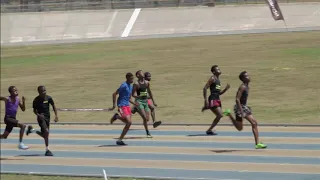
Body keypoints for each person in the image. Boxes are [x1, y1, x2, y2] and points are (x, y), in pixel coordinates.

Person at [224, 71, 267, 149]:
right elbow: (237, 99)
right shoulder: (243, 87)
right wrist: (241, 111)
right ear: (243, 79)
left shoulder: (247, 86)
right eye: (246, 76)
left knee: (240, 128)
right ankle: (257, 144)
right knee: (254, 123)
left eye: (248, 75)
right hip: (240, 107)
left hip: (243, 107)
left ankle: (229, 114)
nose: (248, 77)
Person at [26, 86, 58, 156]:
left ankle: (32, 130)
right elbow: (34, 110)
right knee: (46, 132)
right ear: (39, 92)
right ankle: (47, 150)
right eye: (42, 91)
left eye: (45, 90)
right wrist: (38, 115)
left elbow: (53, 106)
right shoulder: (36, 100)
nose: (44, 92)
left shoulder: (49, 98)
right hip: (41, 118)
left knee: (45, 135)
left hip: (47, 118)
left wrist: (56, 115)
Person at [202, 65, 231, 135]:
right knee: (220, 115)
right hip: (213, 98)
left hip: (217, 98)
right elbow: (205, 88)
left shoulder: (218, 80)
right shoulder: (213, 78)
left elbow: (219, 93)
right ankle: (209, 130)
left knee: (220, 115)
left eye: (219, 69)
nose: (219, 70)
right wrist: (205, 100)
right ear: (214, 72)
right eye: (217, 69)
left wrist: (225, 89)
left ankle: (208, 106)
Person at [109, 72, 136, 146]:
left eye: (133, 78)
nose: (132, 80)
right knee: (129, 122)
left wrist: (134, 103)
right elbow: (114, 94)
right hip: (121, 105)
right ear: (127, 78)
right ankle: (119, 139)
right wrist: (114, 105)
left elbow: (128, 98)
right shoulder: (123, 85)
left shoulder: (130, 86)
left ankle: (120, 140)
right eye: (131, 78)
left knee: (128, 123)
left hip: (127, 105)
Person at [131, 70, 154, 138]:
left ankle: (135, 109)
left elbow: (149, 92)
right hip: (139, 101)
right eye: (141, 72)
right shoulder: (136, 84)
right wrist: (138, 96)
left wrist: (152, 100)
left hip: (145, 101)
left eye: (143, 72)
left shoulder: (147, 82)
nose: (143, 73)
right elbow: (133, 94)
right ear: (138, 75)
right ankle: (147, 132)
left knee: (147, 119)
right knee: (144, 117)